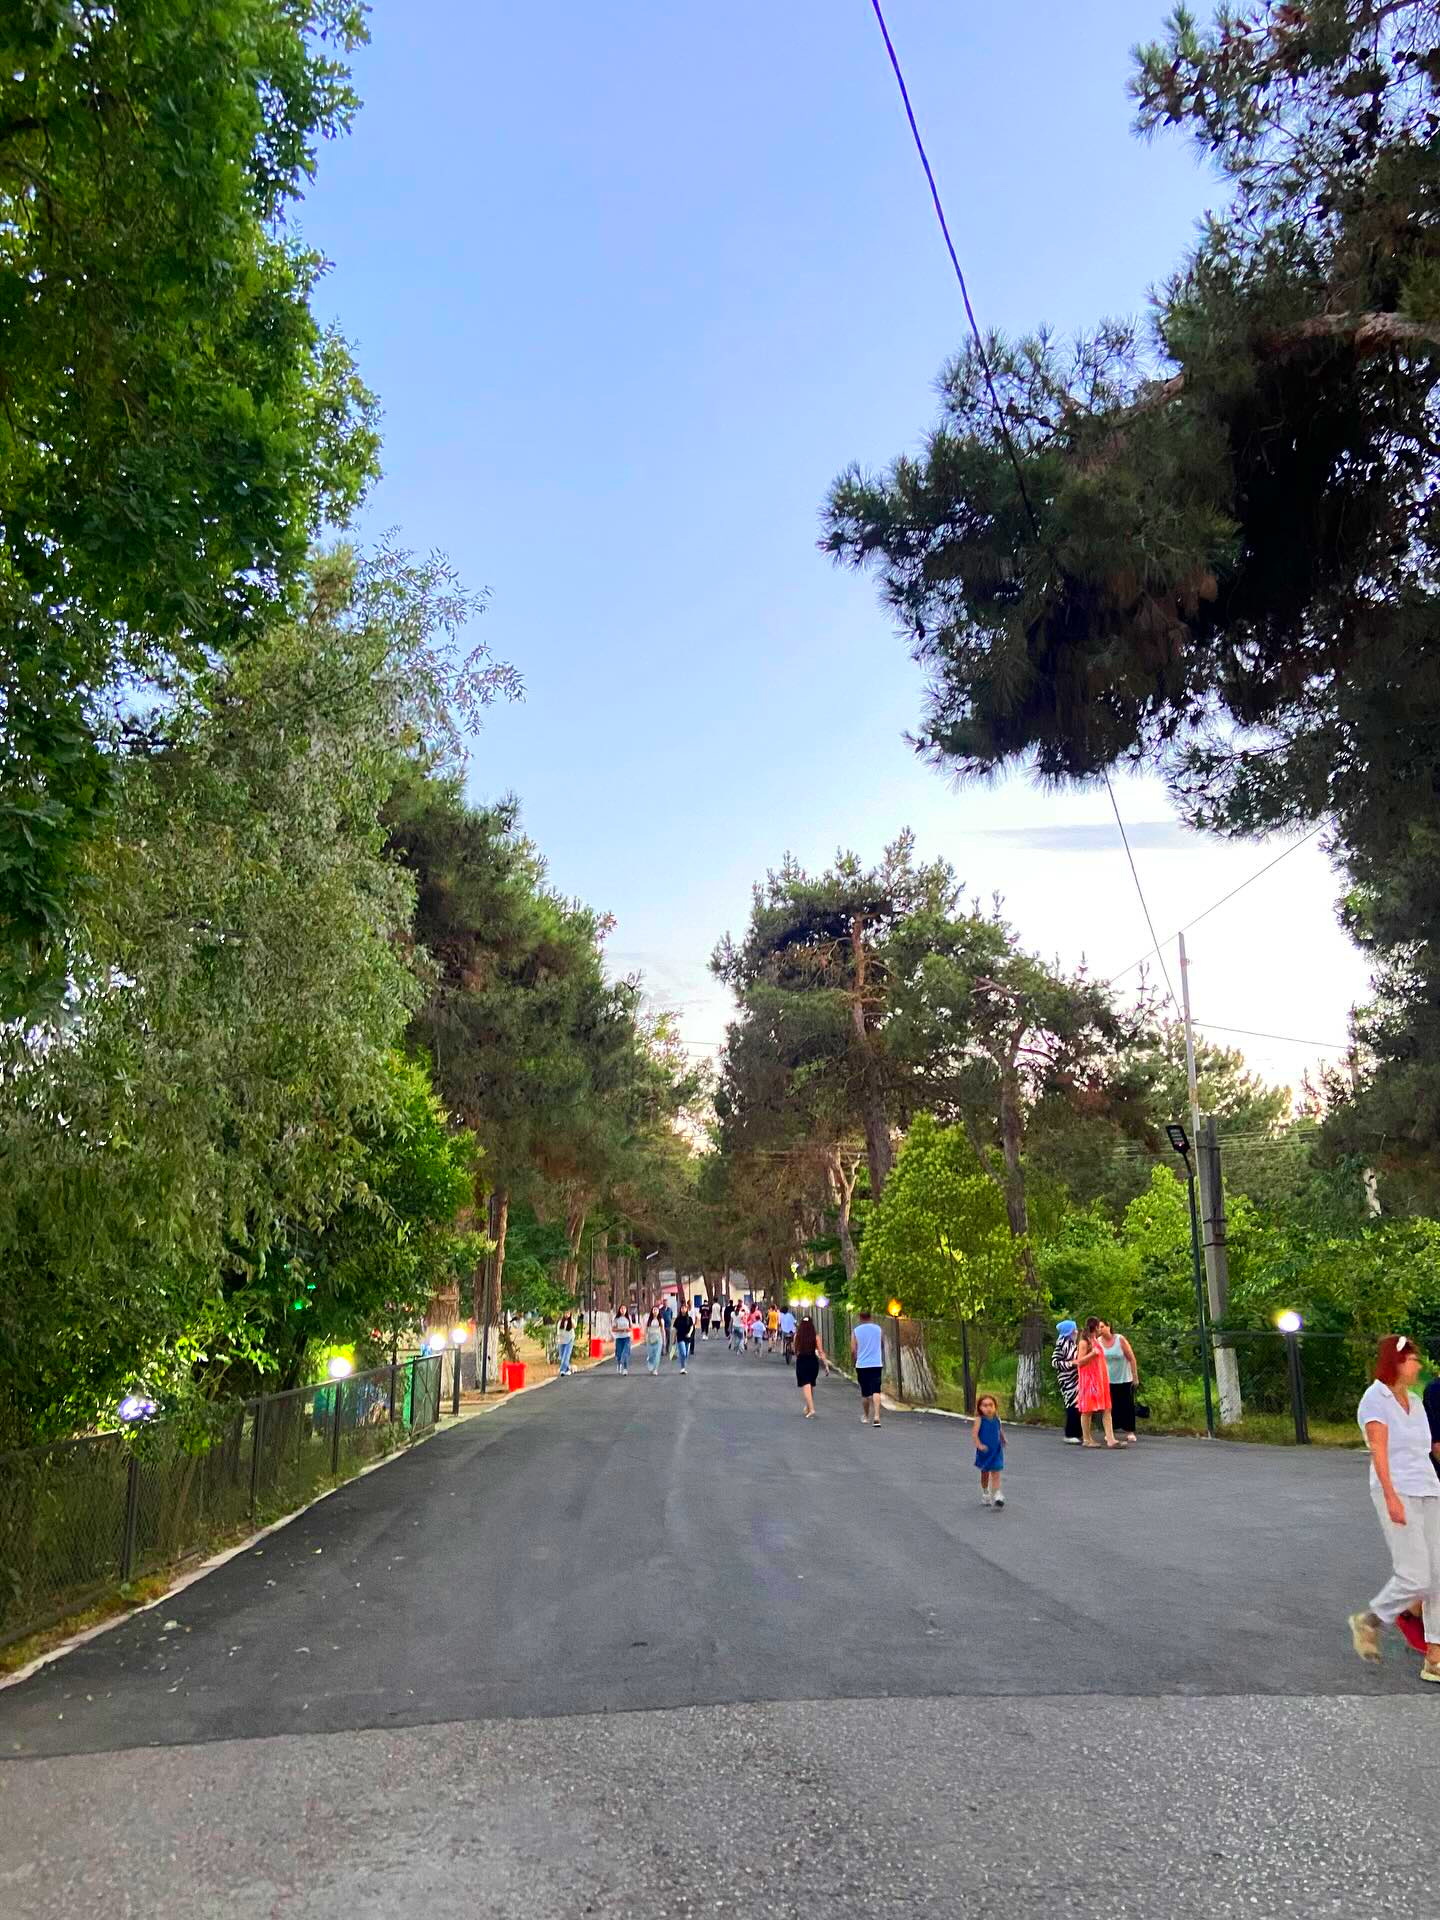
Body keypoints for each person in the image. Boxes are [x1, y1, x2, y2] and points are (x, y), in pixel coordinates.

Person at [1348, 1334, 1440, 1683]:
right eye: (1413, 1359)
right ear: (1397, 1362)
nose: (1419, 1365)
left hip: (1428, 1488)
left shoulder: (1414, 1401)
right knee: (1415, 1574)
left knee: (1438, 1575)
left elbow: (1424, 1450)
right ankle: (1369, 1620)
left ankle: (1435, 1657)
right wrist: (1390, 1497)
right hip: (1397, 1490)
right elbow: (1379, 1452)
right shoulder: (1375, 1399)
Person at [1075, 1318, 1120, 1448]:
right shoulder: (1084, 1342)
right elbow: (1080, 1362)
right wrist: (1092, 1354)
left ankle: (1111, 1439)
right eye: (1099, 1327)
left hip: (1100, 1379)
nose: (1101, 1329)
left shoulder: (1095, 1340)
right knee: (1087, 1410)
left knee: (1107, 1408)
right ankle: (1087, 1439)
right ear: (1094, 1328)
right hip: (1089, 1380)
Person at [1097, 1321, 1140, 1444]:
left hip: (1124, 1378)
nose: (1100, 1329)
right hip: (1107, 1379)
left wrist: (1135, 1377)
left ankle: (1130, 1431)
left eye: (1102, 1326)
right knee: (1110, 1407)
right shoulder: (1098, 1342)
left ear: (1109, 1327)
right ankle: (1110, 1432)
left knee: (1127, 1405)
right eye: (1098, 1327)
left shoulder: (1119, 1339)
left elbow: (1131, 1358)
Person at [852, 1309, 884, 1427]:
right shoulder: (878, 1329)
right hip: (876, 1364)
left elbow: (853, 1349)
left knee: (865, 1392)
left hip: (862, 1364)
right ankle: (877, 1416)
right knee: (876, 1390)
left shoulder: (856, 1331)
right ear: (871, 1317)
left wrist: (854, 1360)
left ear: (860, 1318)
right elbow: (881, 1344)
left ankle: (866, 1416)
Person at [973, 1392, 1005, 1508]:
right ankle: (986, 1492)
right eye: (985, 1405)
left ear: (995, 1406)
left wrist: (1003, 1439)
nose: (988, 1408)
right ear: (980, 1408)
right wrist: (979, 1445)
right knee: (985, 1474)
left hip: (996, 1450)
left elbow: (999, 1430)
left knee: (996, 1472)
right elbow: (975, 1434)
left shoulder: (997, 1418)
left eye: (991, 1405)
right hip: (985, 1452)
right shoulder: (979, 1419)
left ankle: (997, 1494)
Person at [1052, 1319, 1081, 1443]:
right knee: (1072, 1404)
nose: (1077, 1332)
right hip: (1067, 1380)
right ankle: (1070, 1434)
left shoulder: (1072, 1343)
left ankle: (1077, 1432)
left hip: (1075, 1378)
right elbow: (1055, 1362)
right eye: (1074, 1329)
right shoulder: (1062, 1344)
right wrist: (1071, 1364)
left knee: (1077, 1404)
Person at [794, 1313, 829, 1417]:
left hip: (802, 1361)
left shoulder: (797, 1336)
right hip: (813, 1361)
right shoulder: (816, 1337)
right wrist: (826, 1365)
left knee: (806, 1384)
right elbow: (821, 1351)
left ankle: (812, 1409)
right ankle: (808, 1407)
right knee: (811, 1384)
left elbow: (795, 1350)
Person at [673, 1302, 695, 1374]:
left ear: (687, 1309)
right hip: (680, 1337)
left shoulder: (689, 1318)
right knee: (683, 1353)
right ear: (680, 1309)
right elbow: (675, 1329)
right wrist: (674, 1339)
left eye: (685, 1308)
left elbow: (692, 1327)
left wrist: (689, 1333)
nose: (683, 1309)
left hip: (687, 1338)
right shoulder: (678, 1319)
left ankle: (684, 1367)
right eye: (682, 1308)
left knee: (686, 1354)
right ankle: (682, 1368)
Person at [612, 1306, 632, 1375]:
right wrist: (621, 1330)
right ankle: (619, 1364)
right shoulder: (616, 1319)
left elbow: (631, 1327)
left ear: (626, 1310)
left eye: (624, 1309)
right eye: (621, 1309)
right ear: (619, 1310)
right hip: (619, 1338)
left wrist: (628, 1329)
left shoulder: (628, 1318)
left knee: (625, 1353)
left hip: (627, 1337)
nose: (623, 1310)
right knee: (619, 1354)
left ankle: (625, 1369)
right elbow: (613, 1329)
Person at [644, 1309, 664, 1375]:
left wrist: (664, 1340)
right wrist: (645, 1339)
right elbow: (646, 1330)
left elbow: (662, 1330)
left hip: (658, 1339)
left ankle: (655, 1369)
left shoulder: (661, 1320)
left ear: (658, 1312)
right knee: (651, 1355)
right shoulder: (648, 1320)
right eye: (654, 1310)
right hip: (650, 1339)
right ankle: (650, 1365)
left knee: (657, 1355)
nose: (655, 1311)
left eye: (656, 1310)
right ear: (652, 1311)